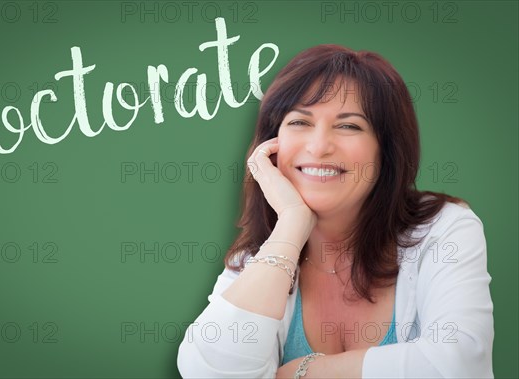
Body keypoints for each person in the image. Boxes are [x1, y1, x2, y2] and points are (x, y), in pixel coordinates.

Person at [176, 44, 494, 378]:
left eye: (348, 126)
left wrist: (304, 372)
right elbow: (208, 371)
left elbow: (459, 363)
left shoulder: (443, 230)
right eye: (300, 121)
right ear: (271, 146)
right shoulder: (263, 258)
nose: (318, 146)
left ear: (386, 151)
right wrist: (291, 225)